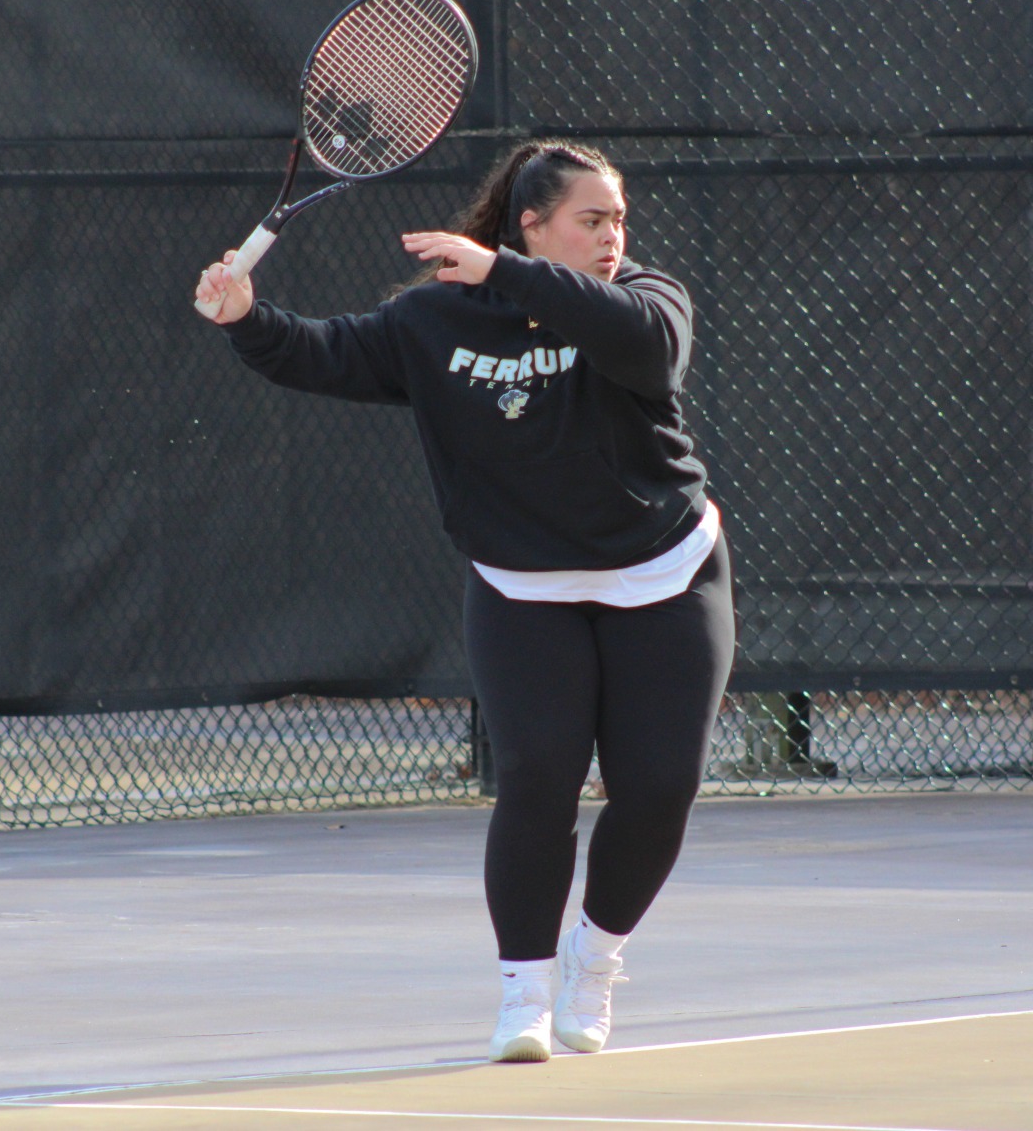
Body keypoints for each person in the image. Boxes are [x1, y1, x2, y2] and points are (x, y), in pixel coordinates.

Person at [194, 140, 735, 1063]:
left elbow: (646, 352)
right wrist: (245, 316)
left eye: (618, 220)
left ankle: (594, 962)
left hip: (665, 572)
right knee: (535, 778)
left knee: (659, 789)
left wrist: (510, 273)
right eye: (591, 219)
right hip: (522, 585)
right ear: (534, 221)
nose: (613, 236)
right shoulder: (434, 320)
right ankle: (523, 995)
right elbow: (322, 352)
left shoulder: (648, 299)